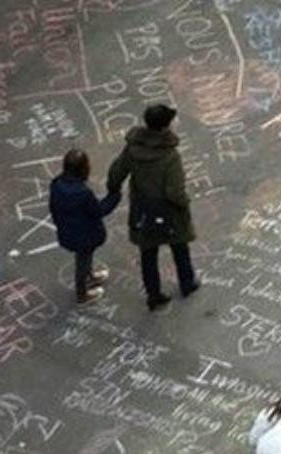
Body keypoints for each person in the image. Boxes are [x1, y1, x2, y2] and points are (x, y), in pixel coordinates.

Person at [107, 104, 199, 311]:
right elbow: (174, 191)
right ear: (165, 126)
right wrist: (184, 204)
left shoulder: (133, 148)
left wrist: (113, 188)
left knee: (148, 253)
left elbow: (117, 171)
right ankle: (187, 283)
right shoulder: (170, 156)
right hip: (169, 211)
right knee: (179, 248)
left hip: (143, 209)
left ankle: (154, 294)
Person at [48, 149, 120, 305]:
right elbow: (98, 211)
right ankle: (82, 293)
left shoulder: (56, 184)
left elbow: (52, 207)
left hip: (68, 231)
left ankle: (90, 276)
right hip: (85, 235)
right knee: (83, 260)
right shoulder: (83, 193)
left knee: (85, 258)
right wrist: (114, 197)